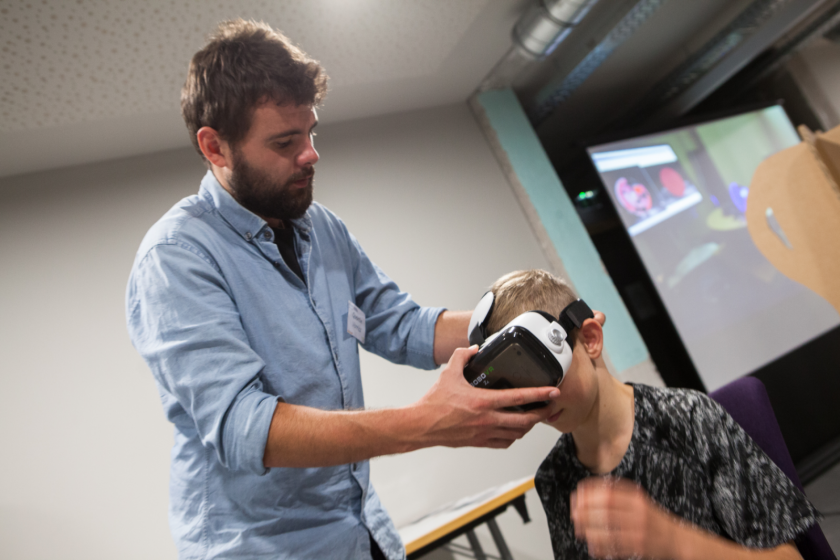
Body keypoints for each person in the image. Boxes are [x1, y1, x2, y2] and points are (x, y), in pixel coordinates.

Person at [126, 19, 564, 560]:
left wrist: (522, 317)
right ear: (216, 147)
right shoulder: (177, 257)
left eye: (311, 132)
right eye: (285, 142)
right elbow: (246, 427)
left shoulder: (321, 229)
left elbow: (399, 324)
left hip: (362, 531)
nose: (310, 154)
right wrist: (427, 424)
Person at [481, 269, 819, 560]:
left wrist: (674, 541)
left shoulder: (688, 420)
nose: (537, 401)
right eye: (519, 391)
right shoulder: (555, 478)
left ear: (590, 339)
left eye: (544, 373)